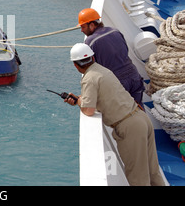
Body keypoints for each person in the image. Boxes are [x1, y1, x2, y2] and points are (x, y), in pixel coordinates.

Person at [65, 43, 164, 186]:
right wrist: (84, 100)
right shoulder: (103, 70)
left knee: (138, 178)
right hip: (141, 117)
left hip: (130, 128)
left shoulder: (89, 78)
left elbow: (88, 110)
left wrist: (78, 102)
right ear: (92, 58)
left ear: (75, 65)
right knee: (153, 172)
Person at [77, 8, 145, 105]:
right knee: (139, 110)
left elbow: (91, 69)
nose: (81, 30)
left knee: (123, 114)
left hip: (118, 82)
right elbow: (125, 51)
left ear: (91, 25)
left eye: (83, 27)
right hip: (134, 76)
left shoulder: (90, 41)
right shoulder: (115, 31)